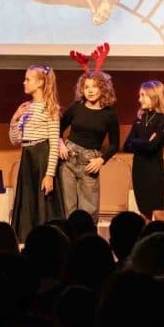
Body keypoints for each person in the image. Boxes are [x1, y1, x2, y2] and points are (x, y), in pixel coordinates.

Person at [9, 65, 62, 242]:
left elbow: (54, 143)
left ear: (40, 83)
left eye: (28, 79)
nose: (24, 82)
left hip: (42, 157)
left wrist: (49, 174)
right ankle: (25, 239)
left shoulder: (50, 108)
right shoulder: (26, 108)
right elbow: (15, 140)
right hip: (28, 157)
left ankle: (45, 242)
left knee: (42, 203)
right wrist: (15, 119)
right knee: (27, 202)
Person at [58, 68, 119, 219]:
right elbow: (58, 128)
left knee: (89, 211)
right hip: (68, 159)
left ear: (103, 88)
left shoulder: (109, 114)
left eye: (94, 86)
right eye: (86, 87)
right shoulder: (76, 107)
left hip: (90, 163)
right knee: (68, 208)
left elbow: (114, 144)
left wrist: (101, 160)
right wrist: (60, 144)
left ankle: (88, 234)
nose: (90, 90)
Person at [124, 80, 164, 218]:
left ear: (155, 96)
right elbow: (126, 146)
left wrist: (137, 143)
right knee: (144, 213)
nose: (139, 99)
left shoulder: (162, 119)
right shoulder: (139, 119)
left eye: (143, 95)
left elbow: (152, 147)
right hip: (138, 170)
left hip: (154, 171)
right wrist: (145, 142)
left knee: (158, 212)